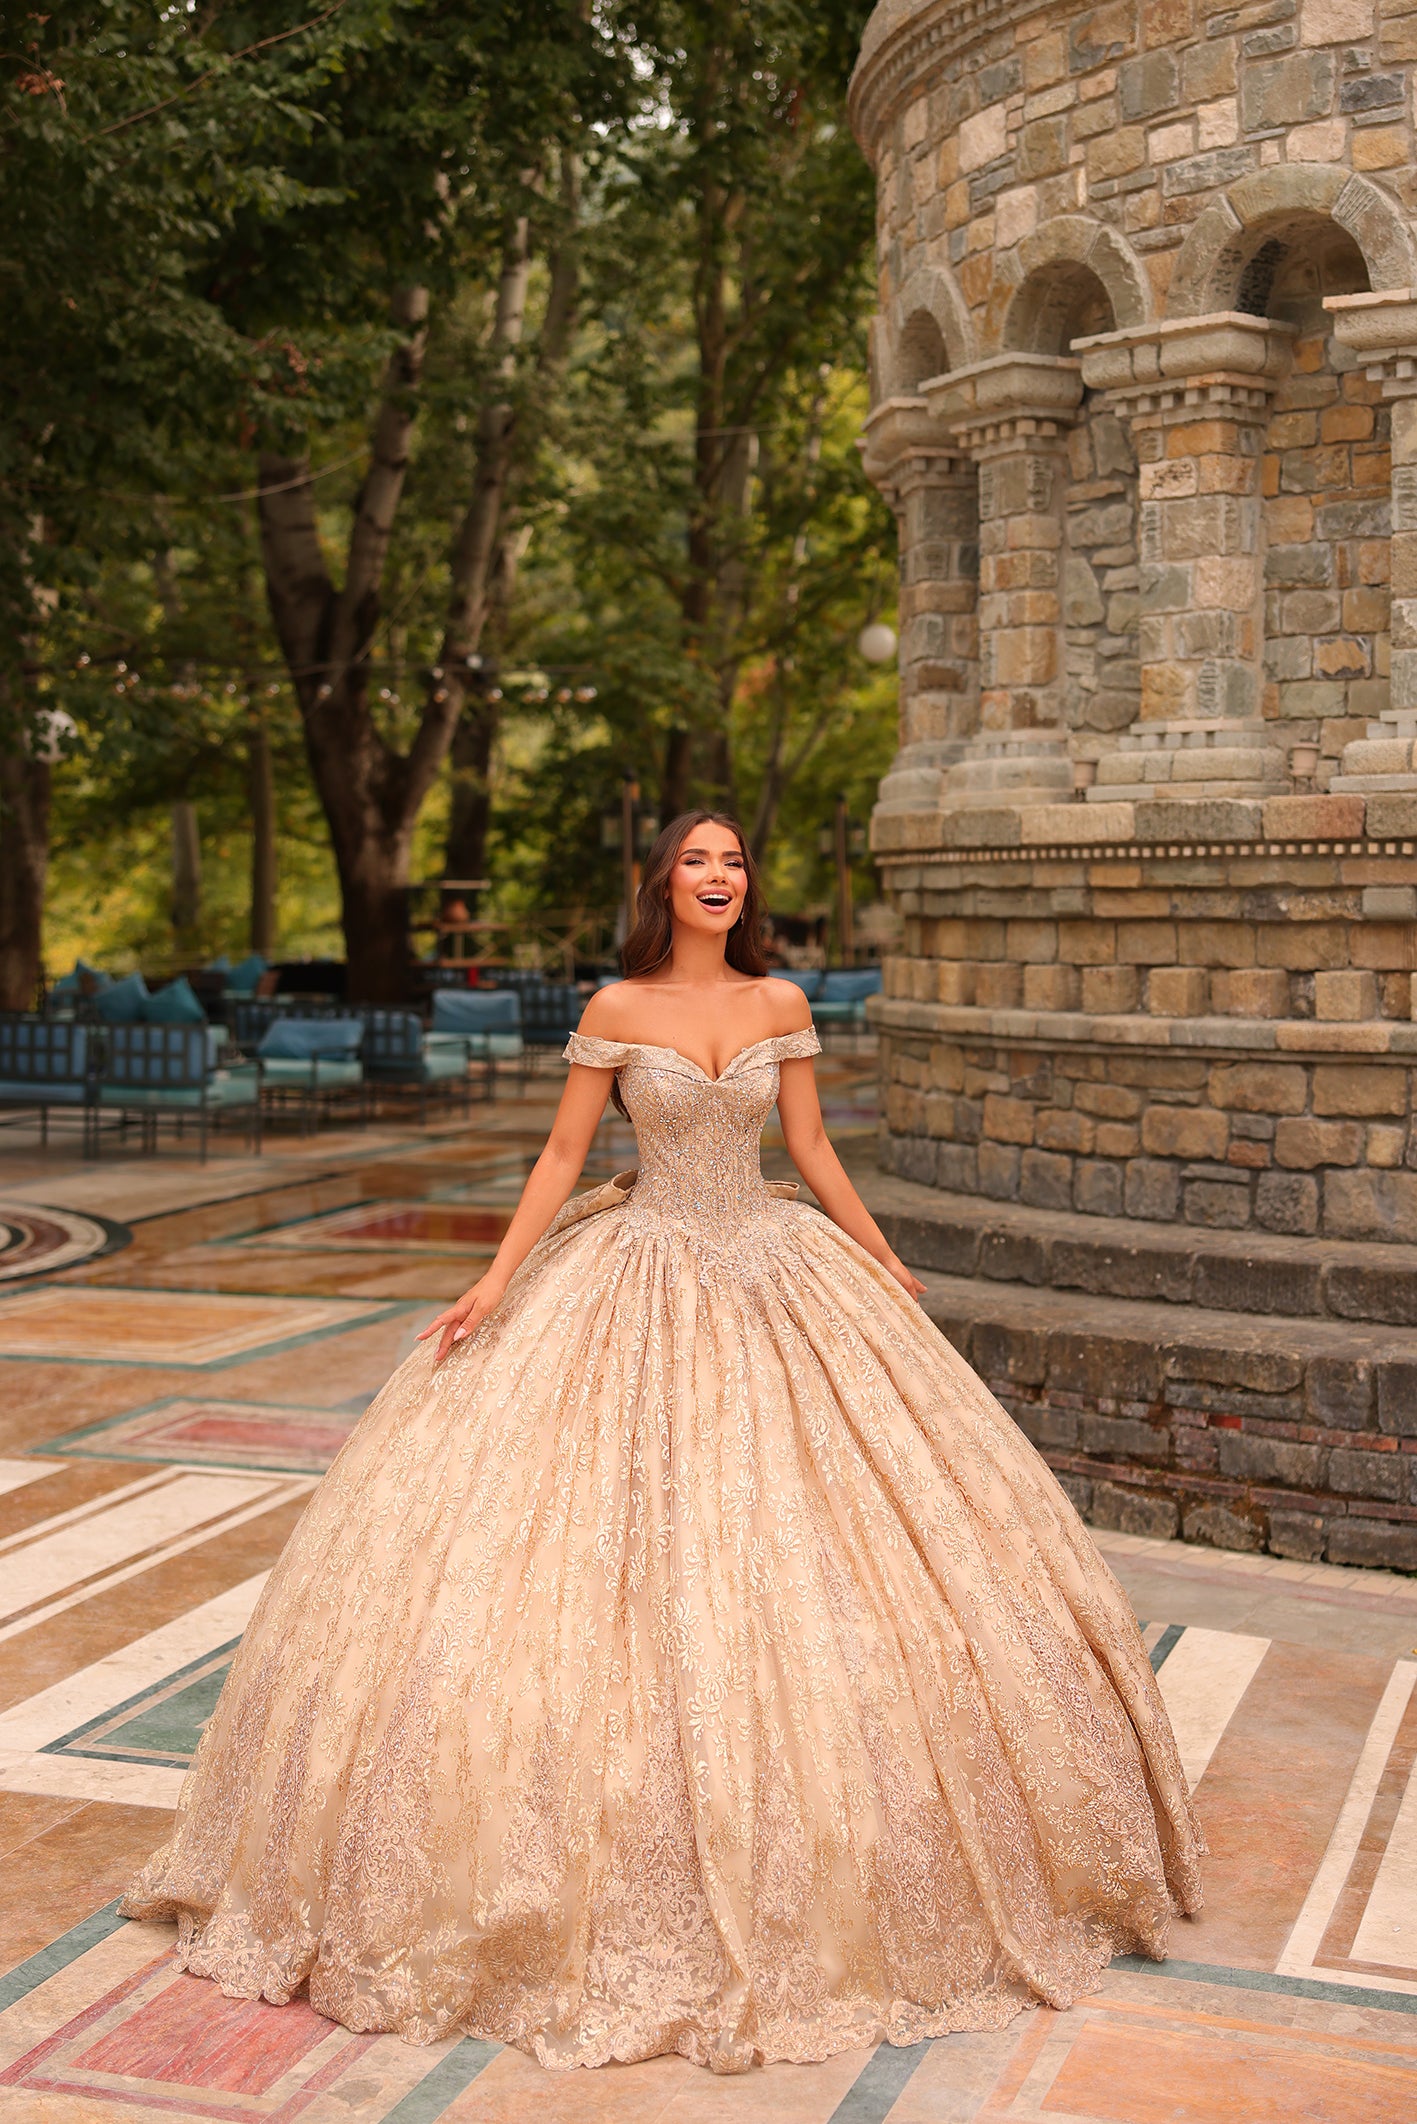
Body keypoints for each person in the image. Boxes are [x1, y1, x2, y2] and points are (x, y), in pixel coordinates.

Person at [123, 811, 1202, 2075]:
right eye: (697, 860)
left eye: (735, 860)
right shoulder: (617, 1005)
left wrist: (881, 1255)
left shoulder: (781, 998)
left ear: (748, 888)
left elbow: (809, 1147)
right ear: (662, 883)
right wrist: (494, 1282)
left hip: (773, 1259)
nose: (717, 877)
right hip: (635, 1272)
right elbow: (566, 1153)